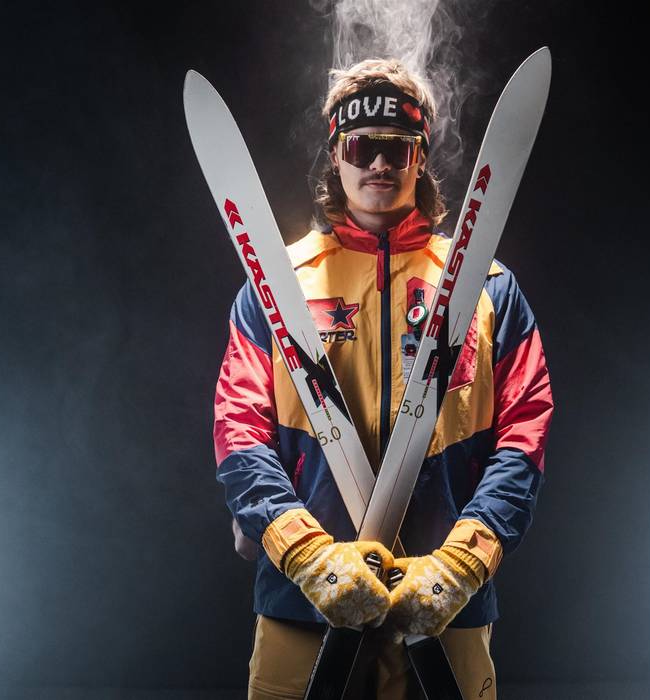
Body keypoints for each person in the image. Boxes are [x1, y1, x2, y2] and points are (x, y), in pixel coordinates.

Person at [213, 58, 553, 699]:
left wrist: (464, 562)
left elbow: (524, 434)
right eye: (361, 147)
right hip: (303, 605)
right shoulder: (277, 285)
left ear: (419, 158)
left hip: (444, 608)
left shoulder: (488, 287)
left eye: (396, 148)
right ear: (336, 157)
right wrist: (305, 555)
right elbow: (239, 431)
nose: (378, 163)